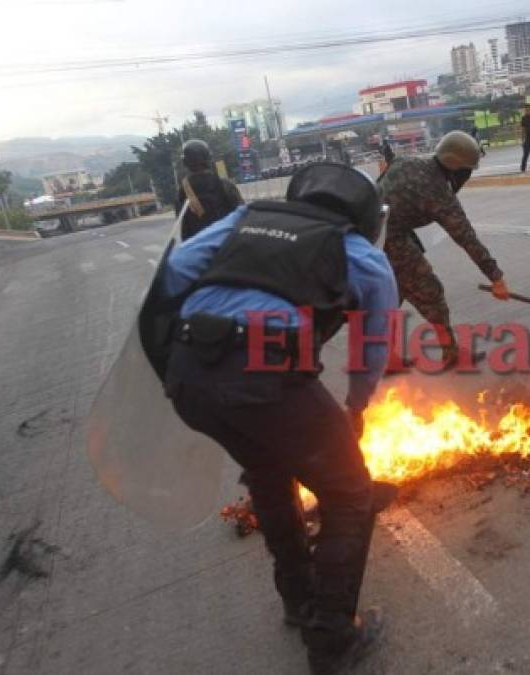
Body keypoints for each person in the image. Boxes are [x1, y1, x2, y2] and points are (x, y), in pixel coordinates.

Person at [160, 163, 398, 674]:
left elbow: (176, 270)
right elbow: (371, 345)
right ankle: (333, 638)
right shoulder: (358, 253)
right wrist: (357, 406)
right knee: (351, 493)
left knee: (269, 474)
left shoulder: (245, 218)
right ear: (365, 215)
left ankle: (298, 600)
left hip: (190, 374)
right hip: (264, 374)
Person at [378, 131, 510, 365]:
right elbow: (466, 237)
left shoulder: (406, 161)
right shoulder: (437, 191)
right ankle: (452, 354)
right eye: (467, 171)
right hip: (390, 239)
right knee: (431, 292)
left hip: (370, 235)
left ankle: (387, 357)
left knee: (393, 294)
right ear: (456, 167)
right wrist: (495, 277)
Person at [174, 139, 244, 241]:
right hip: (227, 246)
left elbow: (184, 231)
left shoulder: (182, 193)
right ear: (209, 158)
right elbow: (242, 216)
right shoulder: (224, 185)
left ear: (185, 162)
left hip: (200, 249)